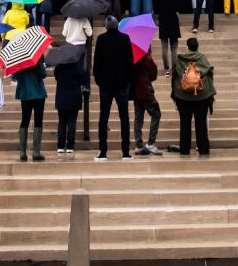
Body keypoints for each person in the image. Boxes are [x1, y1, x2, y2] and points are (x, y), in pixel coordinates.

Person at [92, 15, 135, 160]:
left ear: (106, 26)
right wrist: (128, 79)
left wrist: (98, 80)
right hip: (122, 83)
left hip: (105, 84)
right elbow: (130, 61)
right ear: (117, 26)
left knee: (103, 117)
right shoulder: (125, 38)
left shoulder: (101, 39)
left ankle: (103, 151)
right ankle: (125, 151)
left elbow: (96, 62)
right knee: (124, 117)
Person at [169, 36, 215, 157]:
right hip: (202, 96)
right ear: (197, 46)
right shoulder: (203, 59)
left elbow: (175, 77)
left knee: (185, 123)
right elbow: (210, 76)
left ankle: (184, 149)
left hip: (183, 96)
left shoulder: (180, 60)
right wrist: (211, 94)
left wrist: (174, 94)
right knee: (201, 123)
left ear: (188, 47)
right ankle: (203, 149)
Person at [54, 50, 86, 155]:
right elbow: (83, 80)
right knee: (72, 122)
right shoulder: (77, 67)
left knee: (62, 122)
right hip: (74, 98)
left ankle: (60, 145)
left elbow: (56, 77)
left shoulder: (59, 67)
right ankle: (70, 146)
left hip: (61, 98)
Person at [133, 45, 163, 156]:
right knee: (156, 114)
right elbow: (154, 74)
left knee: (138, 117)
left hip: (136, 91)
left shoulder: (134, 58)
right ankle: (151, 143)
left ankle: (138, 145)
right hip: (146, 90)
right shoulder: (146, 58)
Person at [15, 61, 47, 162]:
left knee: (25, 120)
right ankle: (36, 152)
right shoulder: (36, 59)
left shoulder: (18, 60)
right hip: (38, 92)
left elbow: (15, 76)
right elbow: (43, 74)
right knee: (38, 120)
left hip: (25, 92)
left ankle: (23, 152)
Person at [156, 0, 181, 75]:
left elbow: (157, 8)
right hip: (173, 21)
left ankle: (166, 69)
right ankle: (174, 69)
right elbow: (178, 6)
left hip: (163, 21)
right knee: (174, 48)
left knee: (164, 48)